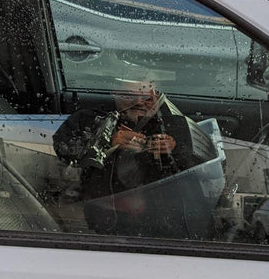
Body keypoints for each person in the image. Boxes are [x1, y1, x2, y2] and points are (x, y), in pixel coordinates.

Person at [53, 81, 201, 235]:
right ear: (115, 94)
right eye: (129, 96)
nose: (138, 102)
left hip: (163, 222)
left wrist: (173, 150)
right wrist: (106, 142)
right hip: (103, 220)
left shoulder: (174, 124)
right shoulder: (89, 119)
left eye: (146, 98)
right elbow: (63, 149)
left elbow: (196, 171)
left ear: (156, 96)